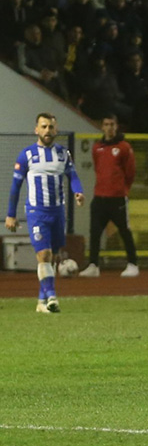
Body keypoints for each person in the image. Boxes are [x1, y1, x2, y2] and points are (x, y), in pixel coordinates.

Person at [6, 113, 85, 313]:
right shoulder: (27, 155)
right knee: (44, 254)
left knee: (53, 255)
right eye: (44, 126)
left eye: (51, 127)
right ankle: (51, 296)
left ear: (56, 130)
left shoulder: (63, 154)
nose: (48, 131)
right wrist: (10, 214)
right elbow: (15, 187)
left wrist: (78, 191)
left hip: (58, 212)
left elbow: (72, 175)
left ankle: (42, 302)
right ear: (36, 130)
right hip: (36, 212)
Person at [79, 114, 139, 278]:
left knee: (124, 231)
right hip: (99, 197)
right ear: (102, 126)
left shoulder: (124, 147)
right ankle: (93, 265)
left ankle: (133, 263)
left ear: (116, 126)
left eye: (112, 124)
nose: (109, 127)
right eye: (106, 124)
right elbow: (98, 168)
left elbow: (130, 172)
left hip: (117, 198)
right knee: (95, 232)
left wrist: (124, 190)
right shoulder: (97, 147)